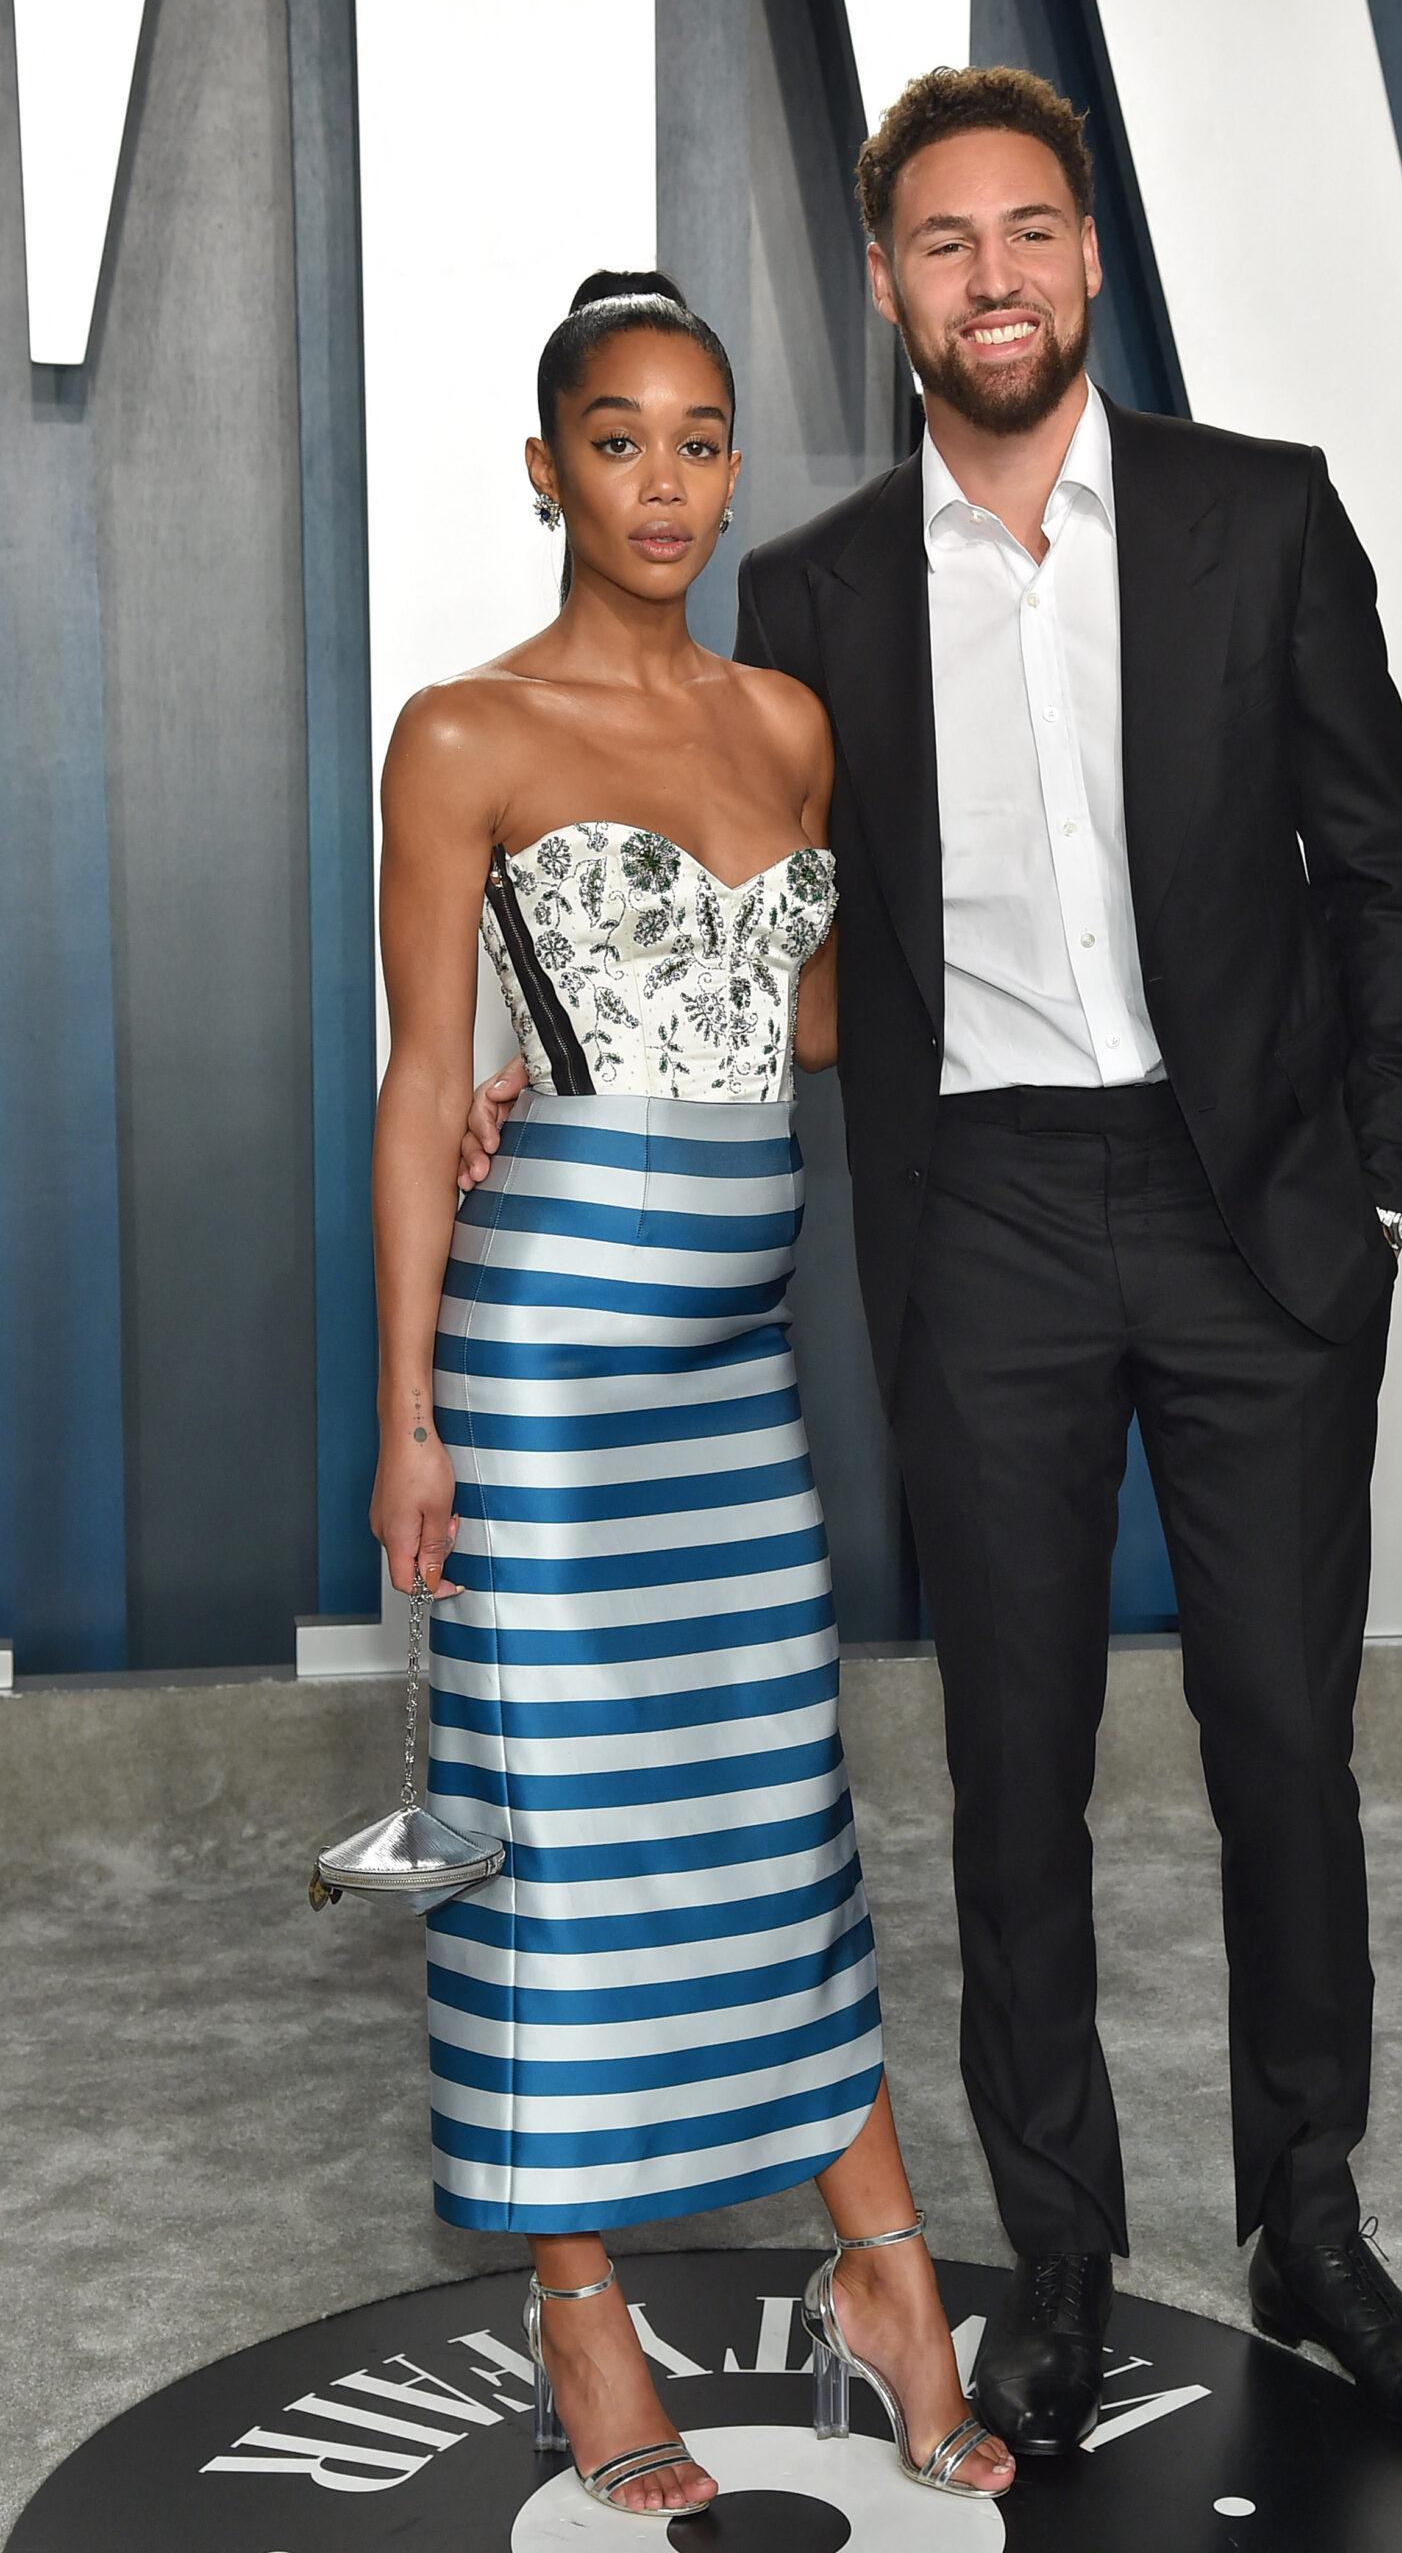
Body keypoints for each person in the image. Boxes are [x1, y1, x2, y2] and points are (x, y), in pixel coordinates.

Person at [465, 69, 1402, 2457]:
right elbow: (753, 913)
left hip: (1251, 1213)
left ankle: (1311, 2220)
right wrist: (548, 1047)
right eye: (943, 243)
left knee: (1282, 1741)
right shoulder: (812, 583)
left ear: (1089, 259)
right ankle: (1053, 2258)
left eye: (1030, 231)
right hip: (993, 1224)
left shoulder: (1261, 515)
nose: (996, 277)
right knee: (1014, 1770)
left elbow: (1381, 862)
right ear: (885, 283)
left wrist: (1385, 1189)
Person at [369, 269, 1013, 2517]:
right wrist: (409, 1413)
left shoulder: (786, 724)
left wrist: (585, 1038)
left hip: (736, 1357)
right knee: (549, 1835)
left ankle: (878, 2276)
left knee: (772, 1817)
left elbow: (800, 1025)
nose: (665, 480)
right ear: (545, 467)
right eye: (619, 438)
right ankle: (583, 2310)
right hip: (540, 1366)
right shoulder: (464, 731)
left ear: (738, 464)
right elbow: (413, 1080)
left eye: (703, 438)